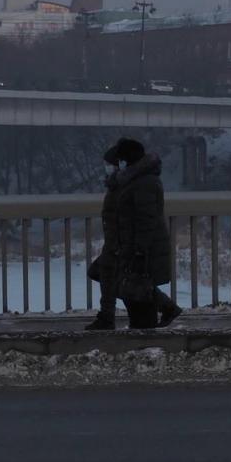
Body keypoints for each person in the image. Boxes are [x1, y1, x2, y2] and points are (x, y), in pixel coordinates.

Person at [109, 138, 182, 329]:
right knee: (135, 287)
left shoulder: (144, 183)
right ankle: (159, 315)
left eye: (121, 160)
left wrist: (140, 251)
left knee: (136, 290)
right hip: (134, 245)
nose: (119, 165)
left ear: (129, 160)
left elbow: (146, 219)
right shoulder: (136, 180)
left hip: (142, 248)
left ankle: (146, 334)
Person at [84, 145, 123, 331]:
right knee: (105, 274)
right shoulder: (116, 184)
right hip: (114, 240)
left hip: (118, 241)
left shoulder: (121, 185)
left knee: (107, 274)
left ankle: (107, 318)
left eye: (109, 164)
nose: (106, 167)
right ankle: (164, 305)